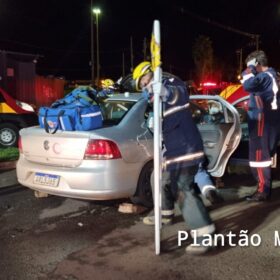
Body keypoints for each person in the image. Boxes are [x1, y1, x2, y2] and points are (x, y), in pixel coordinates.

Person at [133, 61, 216, 254]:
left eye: (145, 82)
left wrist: (165, 92)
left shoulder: (170, 83)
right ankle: (165, 214)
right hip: (172, 150)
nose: (145, 87)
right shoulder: (153, 99)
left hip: (187, 148)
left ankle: (204, 233)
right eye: (142, 86)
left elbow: (181, 94)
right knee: (162, 180)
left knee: (183, 189)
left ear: (151, 74)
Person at [241, 50, 280, 202]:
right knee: (264, 156)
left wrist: (248, 70)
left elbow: (248, 85)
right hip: (270, 121)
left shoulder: (264, 76)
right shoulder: (273, 75)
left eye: (250, 65)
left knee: (259, 157)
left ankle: (263, 190)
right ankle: (263, 188)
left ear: (256, 64)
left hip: (261, 122)